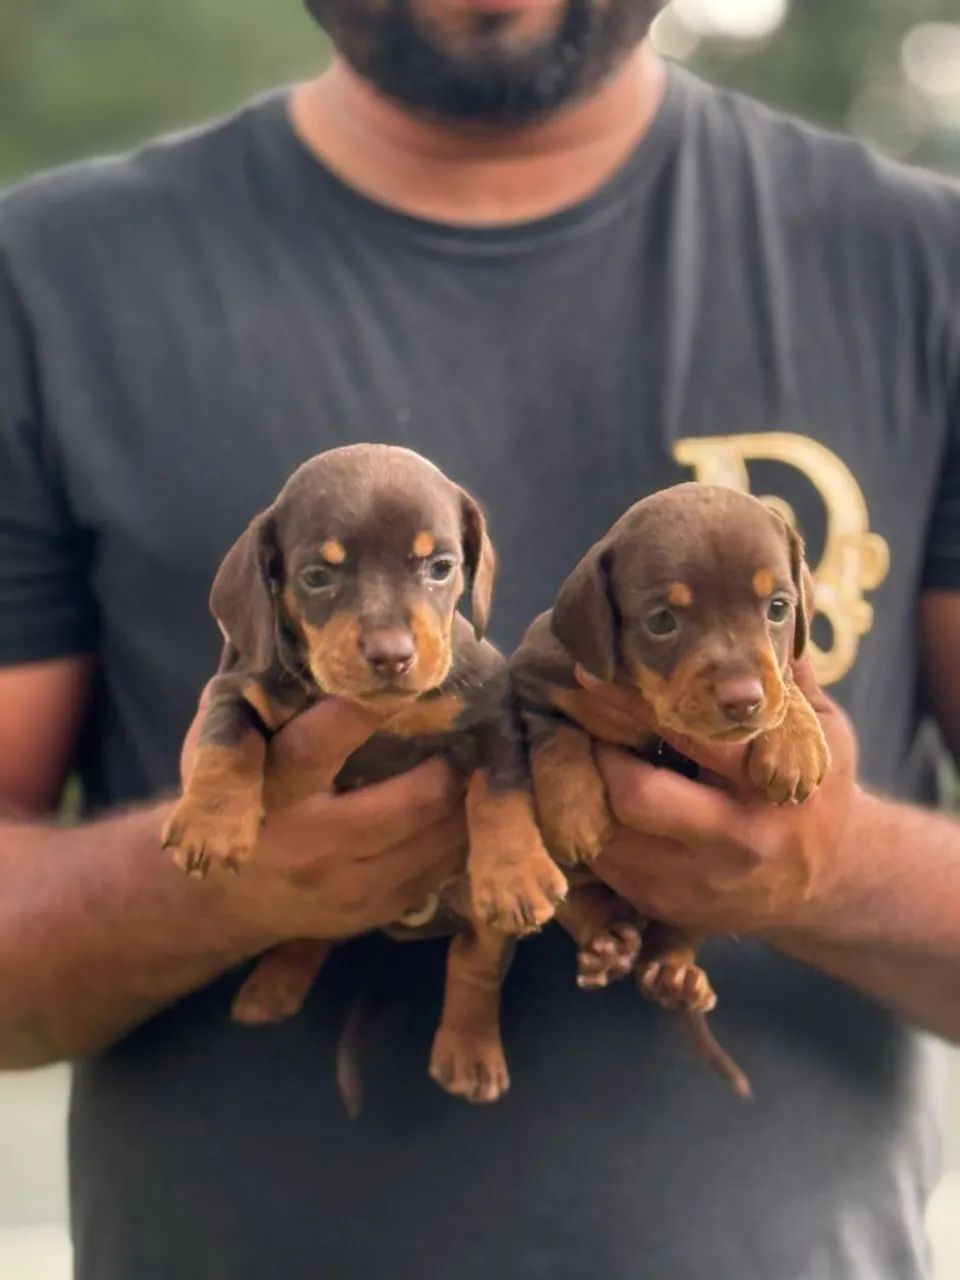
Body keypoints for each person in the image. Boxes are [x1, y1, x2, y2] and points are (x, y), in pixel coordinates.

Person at [1, 2, 958, 1277]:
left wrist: (842, 871)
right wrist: (224, 883)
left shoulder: (924, 264)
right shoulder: (44, 277)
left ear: (472, 566)